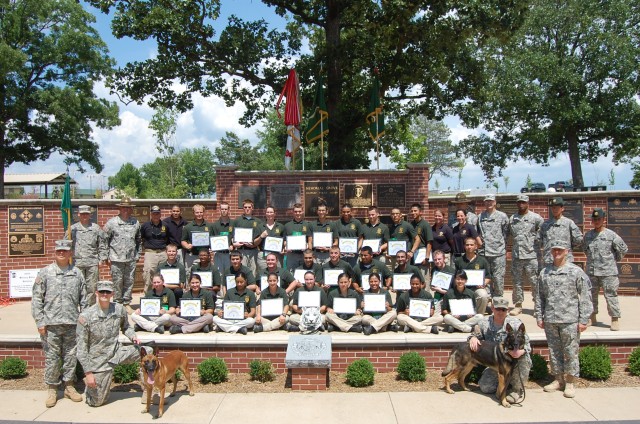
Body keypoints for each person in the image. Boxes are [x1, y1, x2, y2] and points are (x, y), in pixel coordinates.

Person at [31, 239, 87, 407]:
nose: (61, 253)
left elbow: (84, 299)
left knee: (70, 357)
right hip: (51, 324)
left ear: (70, 253)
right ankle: (52, 389)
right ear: (55, 253)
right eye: (58, 251)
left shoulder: (77, 273)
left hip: (72, 323)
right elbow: (36, 299)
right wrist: (40, 322)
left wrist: (82, 321)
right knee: (52, 358)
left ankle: (69, 386)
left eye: (65, 251)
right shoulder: (45, 273)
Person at [535, 240, 593, 398]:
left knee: (570, 352)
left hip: (570, 319)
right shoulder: (544, 272)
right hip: (551, 320)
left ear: (567, 251)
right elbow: (539, 297)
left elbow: (586, 297)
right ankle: (558, 379)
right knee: (554, 351)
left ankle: (570, 382)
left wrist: (583, 319)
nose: (556, 253)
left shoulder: (576, 272)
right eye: (554, 250)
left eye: (559, 250)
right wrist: (539, 316)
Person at [76, 280, 140, 407]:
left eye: (108, 292)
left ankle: (148, 392)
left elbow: (126, 327)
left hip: (116, 352)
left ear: (112, 294)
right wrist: (88, 373)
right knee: (96, 402)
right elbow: (81, 348)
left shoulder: (119, 309)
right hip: (99, 361)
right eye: (102, 292)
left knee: (147, 351)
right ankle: (91, 388)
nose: (104, 294)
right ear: (96, 293)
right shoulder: (86, 316)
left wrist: (133, 337)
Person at [468, 297, 532, 404]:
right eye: (498, 309)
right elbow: (473, 336)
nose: (500, 312)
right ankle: (504, 386)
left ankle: (516, 389)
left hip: (515, 361)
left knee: (523, 358)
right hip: (496, 363)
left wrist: (522, 351)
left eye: (503, 309)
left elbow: (527, 344)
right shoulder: (484, 322)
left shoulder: (515, 323)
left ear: (507, 310)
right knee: (486, 388)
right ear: (492, 308)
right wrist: (473, 338)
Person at [583, 208, 628, 330]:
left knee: (611, 296)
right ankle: (592, 318)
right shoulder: (588, 236)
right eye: (594, 219)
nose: (596, 221)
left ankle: (614, 319)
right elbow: (585, 250)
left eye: (599, 219)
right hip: (592, 272)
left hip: (608, 272)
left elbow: (623, 249)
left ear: (603, 219)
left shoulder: (611, 235)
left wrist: (613, 261)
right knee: (591, 296)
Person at [103, 198, 141, 312]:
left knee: (129, 281)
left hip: (131, 258)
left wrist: (137, 254)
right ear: (119, 208)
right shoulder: (112, 223)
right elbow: (104, 239)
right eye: (124, 207)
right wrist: (105, 256)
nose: (126, 209)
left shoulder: (135, 223)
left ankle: (126, 303)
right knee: (117, 281)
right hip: (116, 258)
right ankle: (117, 303)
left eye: (128, 208)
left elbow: (139, 240)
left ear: (131, 209)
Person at [509, 194, 544, 315]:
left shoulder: (536, 218)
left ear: (528, 203)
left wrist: (536, 242)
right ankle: (518, 305)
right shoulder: (512, 218)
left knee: (535, 282)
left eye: (523, 202)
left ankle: (538, 306)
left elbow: (543, 232)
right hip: (517, 255)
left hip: (531, 255)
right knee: (517, 281)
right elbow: (509, 234)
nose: (521, 204)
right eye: (519, 202)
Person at [67, 205, 108, 306]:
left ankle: (90, 310)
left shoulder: (96, 228)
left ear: (90, 215)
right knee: (77, 287)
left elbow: (102, 244)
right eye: (82, 214)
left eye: (87, 214)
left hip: (92, 263)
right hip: (77, 263)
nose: (85, 216)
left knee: (92, 288)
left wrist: (102, 258)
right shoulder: (72, 229)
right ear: (79, 215)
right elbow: (67, 245)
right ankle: (78, 309)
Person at [477, 194, 509, 297]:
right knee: (485, 278)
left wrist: (502, 247)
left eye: (491, 201)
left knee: (498, 278)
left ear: (495, 202)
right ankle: (488, 301)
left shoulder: (502, 216)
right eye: (486, 201)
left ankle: (498, 301)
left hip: (498, 253)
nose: (489, 203)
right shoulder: (480, 217)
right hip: (484, 253)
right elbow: (478, 233)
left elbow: (506, 233)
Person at [539, 197, 583, 266]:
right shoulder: (545, 225)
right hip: (549, 261)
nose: (554, 209)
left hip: (565, 261)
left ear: (562, 208)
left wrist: (568, 247)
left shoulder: (569, 223)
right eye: (553, 207)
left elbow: (579, 239)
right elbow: (539, 241)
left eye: (557, 207)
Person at [454, 237, 491, 314]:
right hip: (463, 289)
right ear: (464, 246)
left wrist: (483, 283)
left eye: (471, 245)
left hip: (476, 288)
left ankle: (479, 317)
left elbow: (488, 277)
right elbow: (455, 277)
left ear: (476, 246)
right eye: (467, 245)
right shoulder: (459, 261)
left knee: (483, 295)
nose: (469, 247)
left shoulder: (482, 260)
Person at [140, 205, 169, 294]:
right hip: (150, 253)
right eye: (154, 214)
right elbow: (140, 239)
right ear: (151, 214)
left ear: (160, 214)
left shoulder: (165, 225)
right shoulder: (145, 226)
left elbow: (168, 239)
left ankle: (163, 296)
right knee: (148, 274)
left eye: (157, 214)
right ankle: (148, 296)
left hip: (163, 253)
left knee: (164, 275)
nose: (156, 216)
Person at [232, 199, 263, 275]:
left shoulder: (258, 221)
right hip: (241, 250)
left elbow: (260, 237)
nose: (247, 209)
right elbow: (232, 236)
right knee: (242, 272)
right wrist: (234, 243)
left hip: (254, 250)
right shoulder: (237, 221)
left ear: (252, 208)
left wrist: (254, 244)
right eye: (245, 207)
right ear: (243, 208)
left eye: (249, 207)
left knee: (253, 271)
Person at [256, 204, 286, 273]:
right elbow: (255, 243)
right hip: (263, 256)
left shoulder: (281, 226)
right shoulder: (260, 226)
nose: (269, 214)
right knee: (264, 275)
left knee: (277, 275)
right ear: (265, 214)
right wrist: (261, 236)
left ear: (275, 214)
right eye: (268, 212)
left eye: (271, 212)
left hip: (277, 256)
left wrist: (284, 249)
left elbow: (284, 241)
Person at [181, 204, 212, 269]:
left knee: (206, 274)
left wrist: (212, 247)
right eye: (197, 212)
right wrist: (187, 246)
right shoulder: (188, 227)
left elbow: (212, 239)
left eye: (201, 212)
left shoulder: (209, 226)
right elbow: (183, 240)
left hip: (205, 256)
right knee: (190, 274)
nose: (199, 214)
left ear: (204, 212)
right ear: (193, 213)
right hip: (192, 256)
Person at [408, 203, 434, 280]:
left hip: (422, 255)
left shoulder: (425, 225)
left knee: (423, 279)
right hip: (412, 256)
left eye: (415, 211)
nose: (413, 213)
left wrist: (427, 258)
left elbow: (429, 242)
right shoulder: (410, 225)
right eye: (412, 211)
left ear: (420, 212)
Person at [283, 202, 309, 269]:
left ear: (302, 212)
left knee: (304, 274)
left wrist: (307, 246)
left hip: (304, 254)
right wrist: (286, 247)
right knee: (291, 274)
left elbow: (310, 240)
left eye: (299, 211)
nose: (298, 213)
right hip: (291, 255)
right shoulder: (287, 225)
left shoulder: (307, 225)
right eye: (296, 211)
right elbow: (285, 241)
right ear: (293, 212)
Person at [210, 201, 234, 275]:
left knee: (229, 275)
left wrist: (232, 245)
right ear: (220, 210)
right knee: (219, 275)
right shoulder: (214, 225)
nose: (224, 211)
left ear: (229, 210)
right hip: (218, 254)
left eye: (225, 209)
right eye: (222, 209)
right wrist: (212, 247)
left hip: (229, 254)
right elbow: (211, 239)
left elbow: (235, 238)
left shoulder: (233, 224)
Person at [430, 250, 456, 315]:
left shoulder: (451, 271)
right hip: (438, 296)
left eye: (439, 259)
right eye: (435, 260)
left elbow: (455, 291)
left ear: (444, 258)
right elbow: (433, 284)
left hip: (450, 297)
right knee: (433, 314)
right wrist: (433, 287)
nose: (437, 261)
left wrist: (441, 291)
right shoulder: (434, 269)